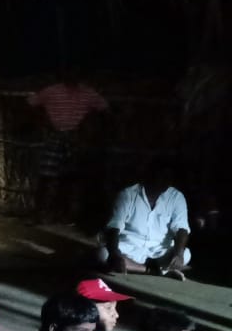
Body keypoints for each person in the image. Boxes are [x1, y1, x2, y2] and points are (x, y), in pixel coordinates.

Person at [27, 75, 107, 223]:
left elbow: (104, 108)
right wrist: (43, 124)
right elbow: (31, 103)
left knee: (69, 178)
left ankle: (64, 214)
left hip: (76, 139)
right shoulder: (53, 91)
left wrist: (88, 130)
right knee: (45, 177)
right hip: (56, 136)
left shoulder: (87, 93)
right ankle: (38, 213)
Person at [99, 168, 191, 280]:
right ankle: (155, 271)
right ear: (149, 176)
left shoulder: (176, 197)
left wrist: (179, 254)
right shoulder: (128, 194)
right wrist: (115, 254)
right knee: (103, 254)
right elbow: (114, 227)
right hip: (130, 247)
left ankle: (135, 268)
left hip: (159, 250)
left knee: (186, 254)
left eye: (167, 179)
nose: (163, 182)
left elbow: (182, 229)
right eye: (159, 177)